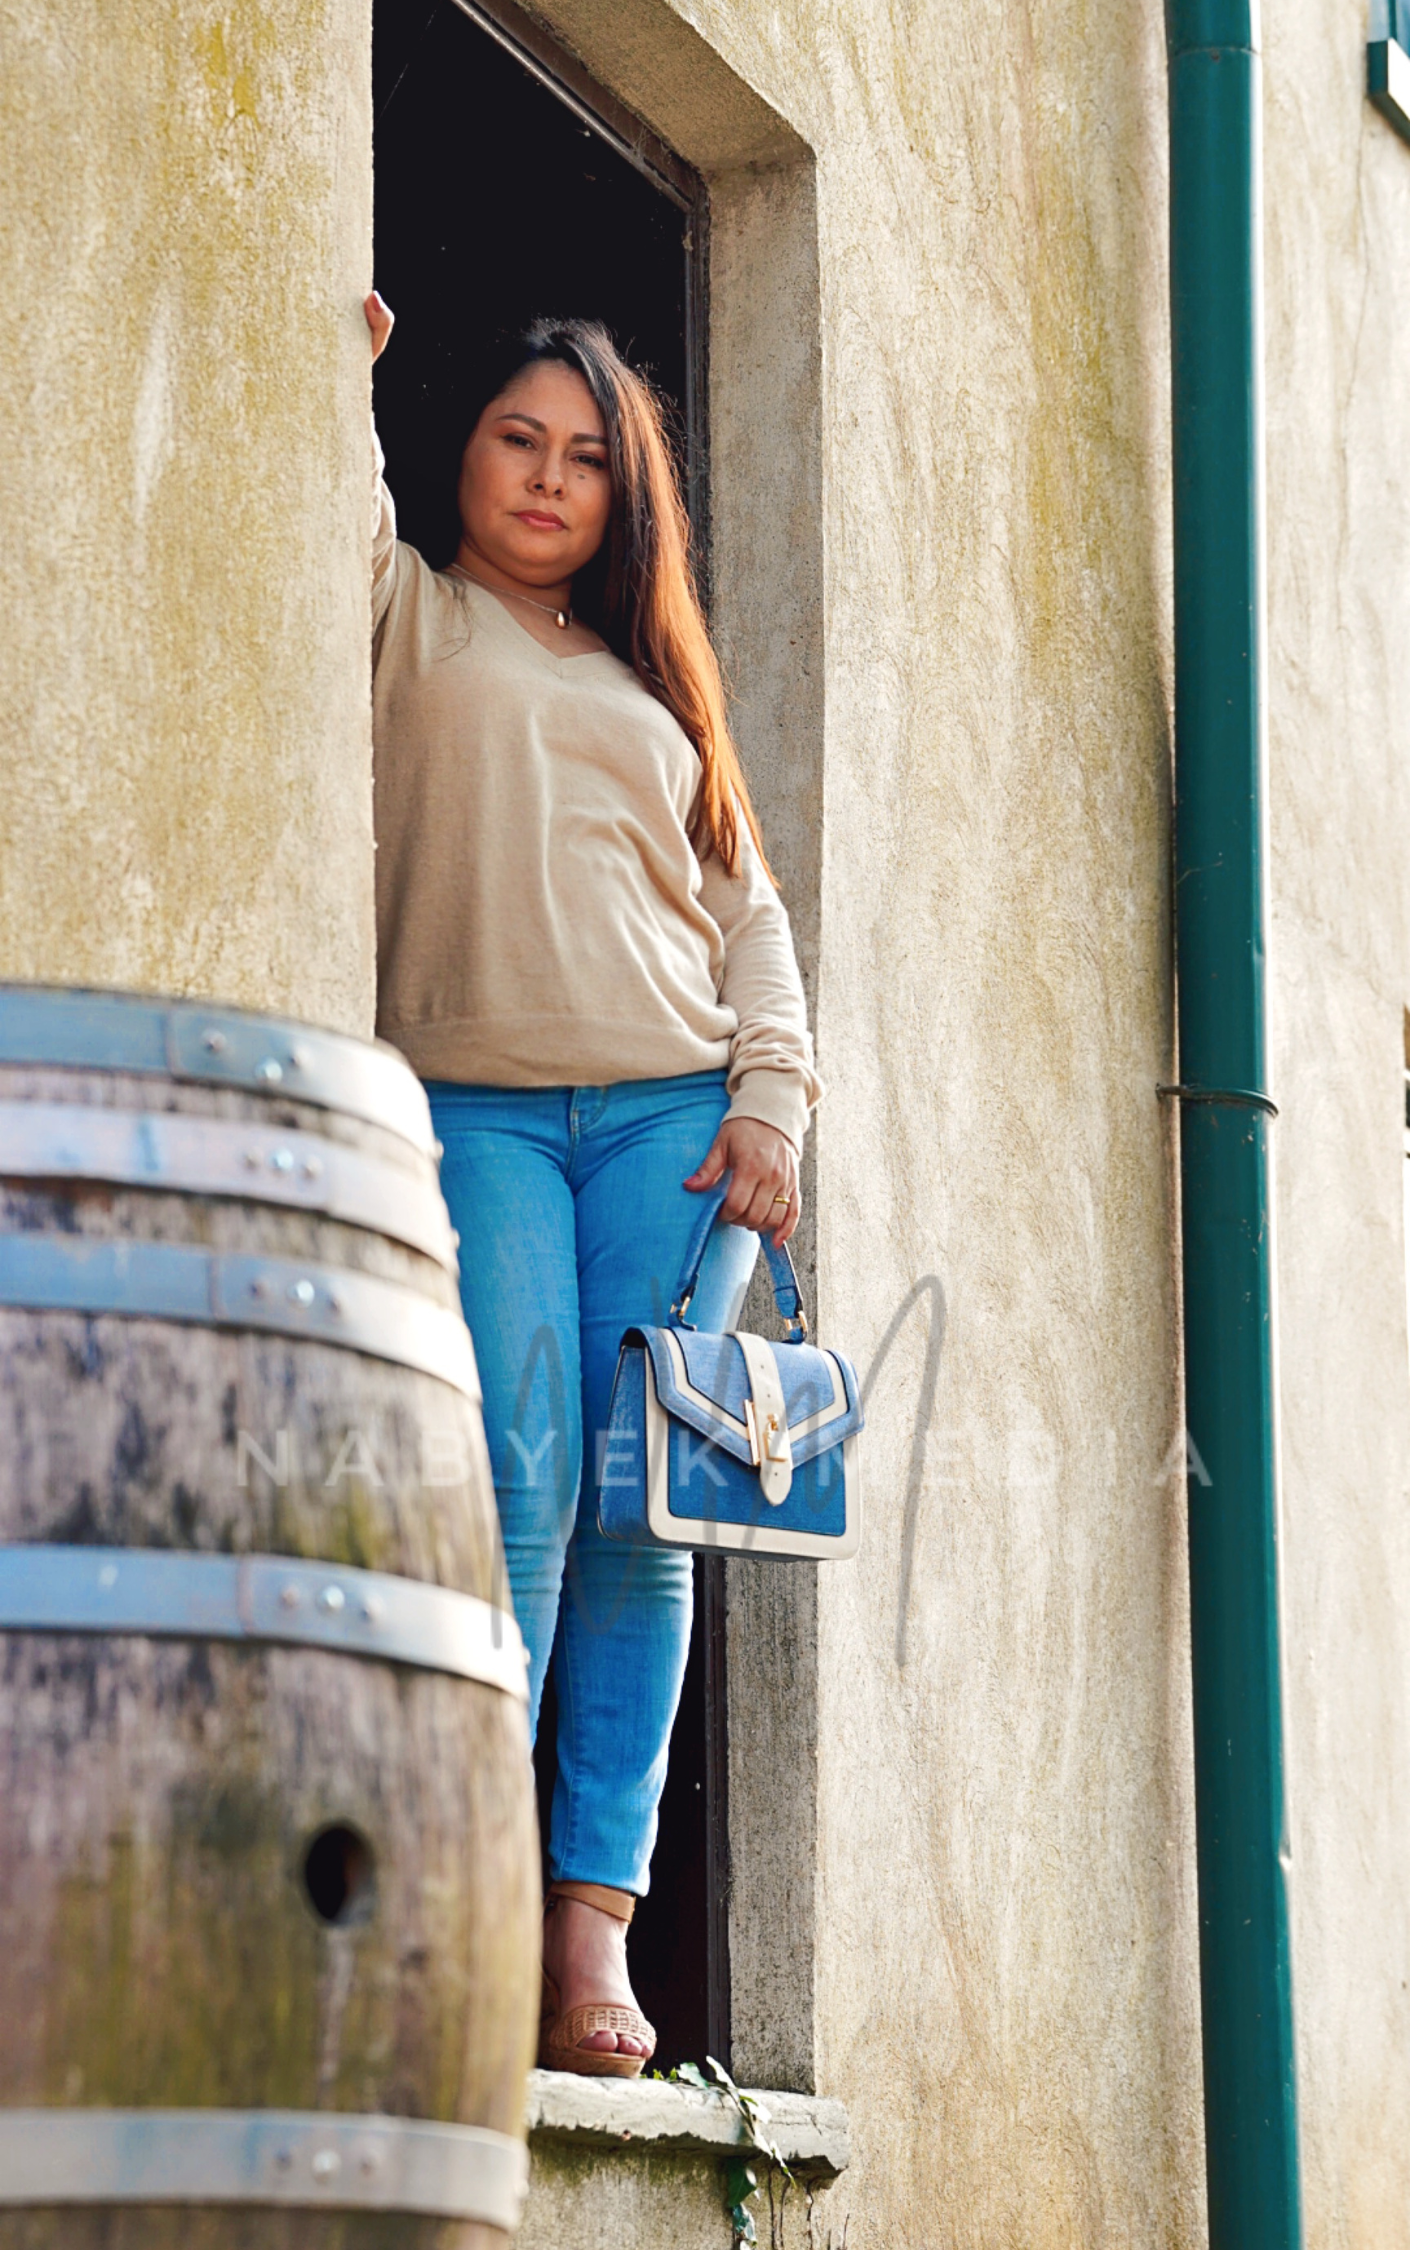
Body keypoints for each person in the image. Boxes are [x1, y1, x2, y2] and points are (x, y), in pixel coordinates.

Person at [365, 290, 820, 2076]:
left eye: (584, 459)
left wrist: (771, 1097)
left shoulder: (656, 682)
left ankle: (588, 1936)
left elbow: (748, 916)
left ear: (625, 500)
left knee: (651, 1512)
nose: (547, 479)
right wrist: (344, 343)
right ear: (461, 450)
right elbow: (328, 488)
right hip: (467, 1106)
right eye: (514, 438)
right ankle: (470, 1904)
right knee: (516, 1488)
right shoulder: (405, 610)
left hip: (667, 1114)